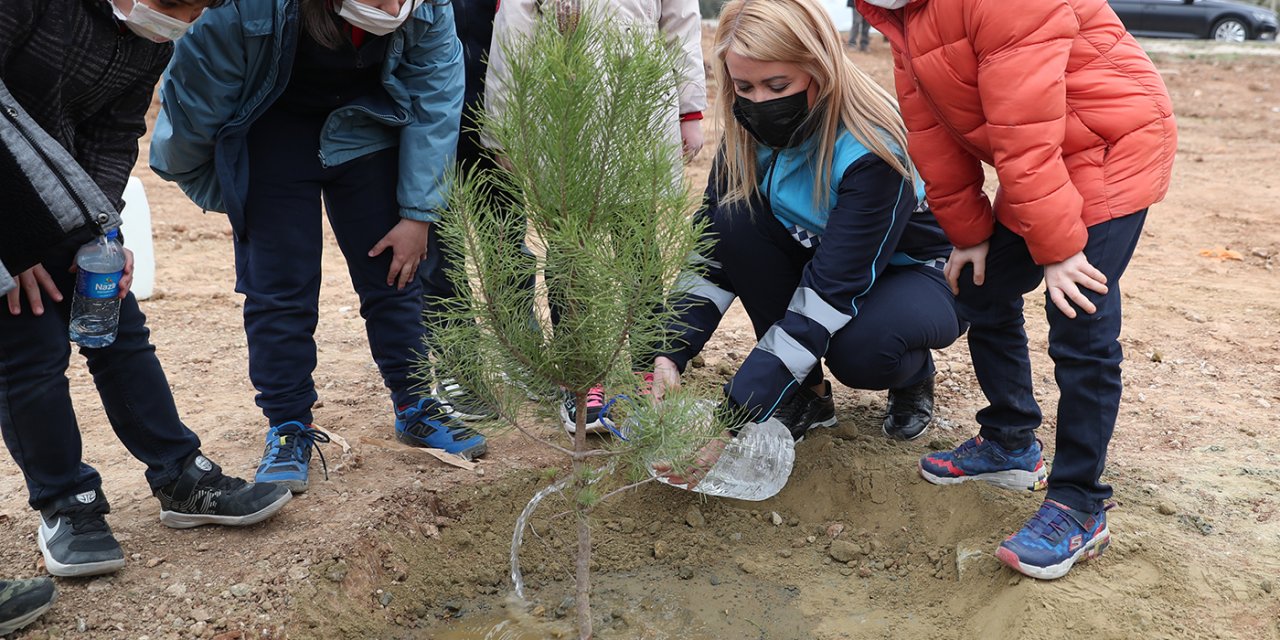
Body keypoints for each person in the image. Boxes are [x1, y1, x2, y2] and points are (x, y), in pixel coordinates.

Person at [856, 0, 1176, 579]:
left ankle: (1080, 505)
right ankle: (1010, 440)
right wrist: (971, 232)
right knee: (981, 285)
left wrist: (1057, 250)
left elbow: (1024, 130)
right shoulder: (899, 15)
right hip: (1048, 156)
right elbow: (931, 131)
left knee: (1079, 315)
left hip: (1108, 142)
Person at [0, 0, 292, 579]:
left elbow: (112, 131)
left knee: (117, 329)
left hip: (65, 191)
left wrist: (102, 231)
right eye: (170, 4)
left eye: (196, 9)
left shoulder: (147, 34)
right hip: (6, 197)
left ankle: (181, 476)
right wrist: (13, 242)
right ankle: (67, 505)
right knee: (28, 347)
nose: (179, 20)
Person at [151, 0, 489, 493]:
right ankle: (288, 427)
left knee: (395, 272)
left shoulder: (428, 7)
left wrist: (418, 213)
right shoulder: (245, 10)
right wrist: (224, 182)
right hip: (272, 131)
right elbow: (195, 103)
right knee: (279, 286)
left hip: (366, 128)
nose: (391, 7)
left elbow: (435, 96)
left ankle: (415, 405)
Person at [650, 0, 962, 458]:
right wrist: (668, 352)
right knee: (732, 220)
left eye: (778, 85)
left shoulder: (872, 150)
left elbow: (831, 292)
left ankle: (913, 375)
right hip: (824, 259)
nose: (759, 102)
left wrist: (731, 421)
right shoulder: (745, 139)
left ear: (818, 68)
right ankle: (805, 396)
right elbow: (712, 254)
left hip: (914, 272)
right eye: (744, 87)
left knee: (862, 351)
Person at [483, 0, 708, 434]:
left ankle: (649, 368)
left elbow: (682, 20)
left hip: (640, 99)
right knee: (570, 253)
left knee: (639, 247)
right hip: (563, 103)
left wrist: (689, 108)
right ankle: (581, 376)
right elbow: (514, 30)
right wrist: (505, 127)